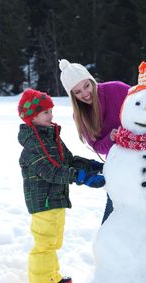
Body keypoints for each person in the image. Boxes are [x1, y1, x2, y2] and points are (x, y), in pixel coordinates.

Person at [18, 88, 105, 283]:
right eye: (46, 112)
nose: (51, 115)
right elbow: (50, 171)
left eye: (50, 111)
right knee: (44, 241)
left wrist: (92, 166)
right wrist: (80, 177)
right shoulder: (32, 145)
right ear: (33, 117)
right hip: (42, 200)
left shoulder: (50, 136)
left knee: (53, 239)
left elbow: (68, 160)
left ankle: (51, 275)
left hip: (55, 198)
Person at [59, 59, 130, 223]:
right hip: (118, 164)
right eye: (77, 92)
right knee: (115, 209)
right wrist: (110, 138)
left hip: (144, 155)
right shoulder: (80, 116)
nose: (84, 94)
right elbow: (98, 147)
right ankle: (107, 243)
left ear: (91, 81)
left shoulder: (116, 89)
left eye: (86, 86)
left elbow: (145, 104)